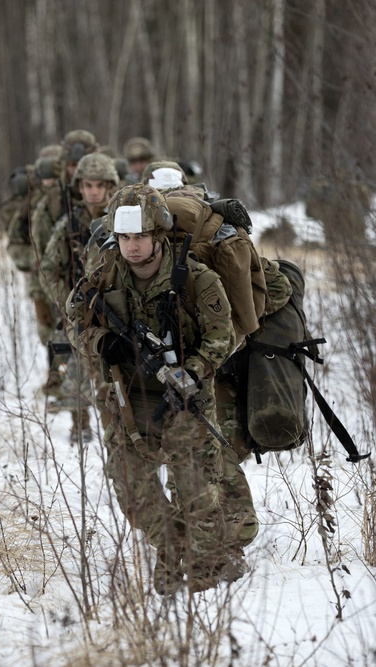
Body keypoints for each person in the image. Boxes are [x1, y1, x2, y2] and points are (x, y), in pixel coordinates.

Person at [66, 184, 255, 594]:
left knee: (196, 486)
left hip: (184, 395)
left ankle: (211, 561)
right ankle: (171, 549)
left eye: (140, 237)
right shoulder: (104, 275)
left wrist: (192, 371)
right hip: (129, 398)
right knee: (129, 484)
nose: (132, 247)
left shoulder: (196, 279)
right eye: (124, 238)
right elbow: (74, 321)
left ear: (158, 236)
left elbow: (222, 337)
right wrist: (102, 342)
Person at [39, 153, 121, 441]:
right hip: (82, 311)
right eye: (87, 185)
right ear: (79, 187)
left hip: (119, 310)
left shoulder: (123, 219)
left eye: (100, 185)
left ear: (111, 185)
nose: (94, 191)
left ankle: (120, 429)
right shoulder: (70, 224)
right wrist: (68, 302)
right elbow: (48, 268)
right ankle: (81, 425)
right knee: (78, 366)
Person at [31, 129, 100, 398]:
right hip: (60, 277)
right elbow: (41, 248)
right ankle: (61, 385)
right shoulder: (53, 199)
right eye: (72, 165)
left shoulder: (107, 187)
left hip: (93, 280)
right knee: (57, 335)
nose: (76, 170)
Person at [3, 144, 62, 346]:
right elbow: (15, 245)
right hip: (40, 281)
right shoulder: (30, 203)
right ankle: (56, 374)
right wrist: (36, 259)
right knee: (49, 332)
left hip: (71, 278)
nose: (51, 181)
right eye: (47, 174)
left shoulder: (74, 198)